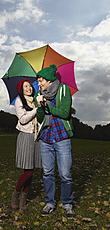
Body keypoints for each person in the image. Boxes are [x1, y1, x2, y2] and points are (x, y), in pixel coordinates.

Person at [34, 64, 75, 218]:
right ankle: (50, 202)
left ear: (49, 80)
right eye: (38, 81)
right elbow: (40, 118)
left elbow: (65, 113)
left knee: (65, 174)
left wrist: (47, 106)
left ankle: (67, 203)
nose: (39, 84)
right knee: (48, 173)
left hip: (62, 137)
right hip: (46, 137)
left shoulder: (64, 90)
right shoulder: (40, 94)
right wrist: (39, 106)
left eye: (41, 81)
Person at [11, 79, 42, 211]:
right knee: (28, 171)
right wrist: (36, 109)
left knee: (32, 170)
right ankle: (15, 195)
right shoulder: (19, 101)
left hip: (36, 137)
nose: (29, 88)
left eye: (29, 86)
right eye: (25, 86)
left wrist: (41, 105)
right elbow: (23, 119)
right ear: (21, 89)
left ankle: (23, 199)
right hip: (25, 136)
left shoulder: (36, 100)